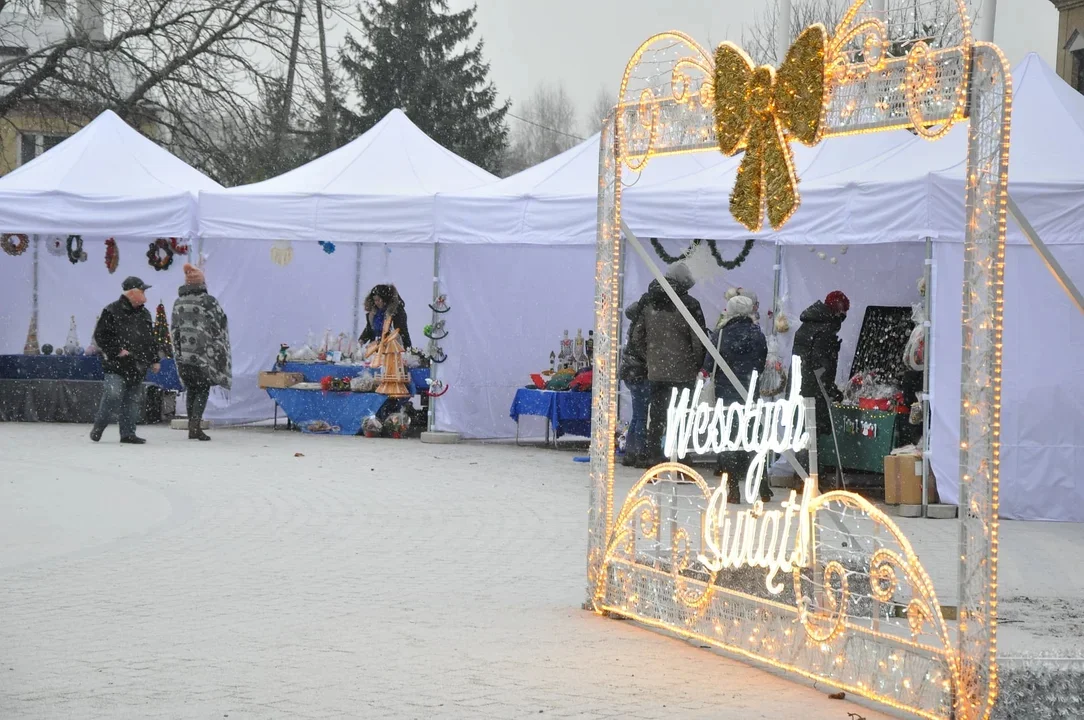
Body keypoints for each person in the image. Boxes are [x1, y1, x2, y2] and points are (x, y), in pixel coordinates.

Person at [629, 263, 706, 465]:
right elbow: (698, 340)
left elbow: (636, 336)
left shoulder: (648, 300)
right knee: (681, 417)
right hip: (683, 371)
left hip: (656, 371)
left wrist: (651, 358)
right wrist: (695, 364)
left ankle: (654, 457)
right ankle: (680, 459)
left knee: (656, 416)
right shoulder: (689, 304)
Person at [705, 293, 768, 503]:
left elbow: (708, 365)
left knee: (728, 440)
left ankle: (732, 488)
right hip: (749, 392)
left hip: (726, 394)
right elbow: (760, 363)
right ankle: (762, 486)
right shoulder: (757, 334)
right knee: (754, 440)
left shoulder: (720, 334)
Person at [89, 276, 160, 444]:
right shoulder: (111, 311)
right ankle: (99, 425)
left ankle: (128, 433)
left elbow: (150, 340)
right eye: (142, 290)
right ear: (132, 292)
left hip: (137, 366)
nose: (144, 294)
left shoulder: (145, 314)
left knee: (132, 401)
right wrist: (117, 350)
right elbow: (100, 336)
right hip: (116, 365)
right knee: (113, 395)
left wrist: (154, 360)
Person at [791, 290, 850, 479]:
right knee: (812, 432)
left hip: (800, 385)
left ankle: (802, 475)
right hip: (812, 389)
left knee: (805, 432)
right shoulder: (824, 330)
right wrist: (830, 390)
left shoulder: (807, 325)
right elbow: (820, 365)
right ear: (837, 312)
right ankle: (809, 477)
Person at [171, 263, 232, 441]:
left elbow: (174, 328)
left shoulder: (178, 302)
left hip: (183, 354)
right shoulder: (208, 301)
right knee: (202, 388)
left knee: (191, 389)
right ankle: (195, 427)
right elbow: (220, 323)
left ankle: (192, 424)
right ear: (201, 282)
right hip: (202, 354)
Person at [619, 298, 650, 468]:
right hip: (639, 372)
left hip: (631, 371)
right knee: (642, 416)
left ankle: (631, 452)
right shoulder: (642, 325)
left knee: (638, 414)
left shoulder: (635, 322)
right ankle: (640, 453)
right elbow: (641, 347)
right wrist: (650, 361)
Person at [360, 284, 411, 350]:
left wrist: (381, 342)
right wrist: (361, 340)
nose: (376, 303)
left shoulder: (396, 312)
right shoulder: (374, 313)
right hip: (376, 350)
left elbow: (399, 333)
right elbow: (369, 330)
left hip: (394, 350)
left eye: (378, 300)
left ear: (384, 299)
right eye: (375, 300)